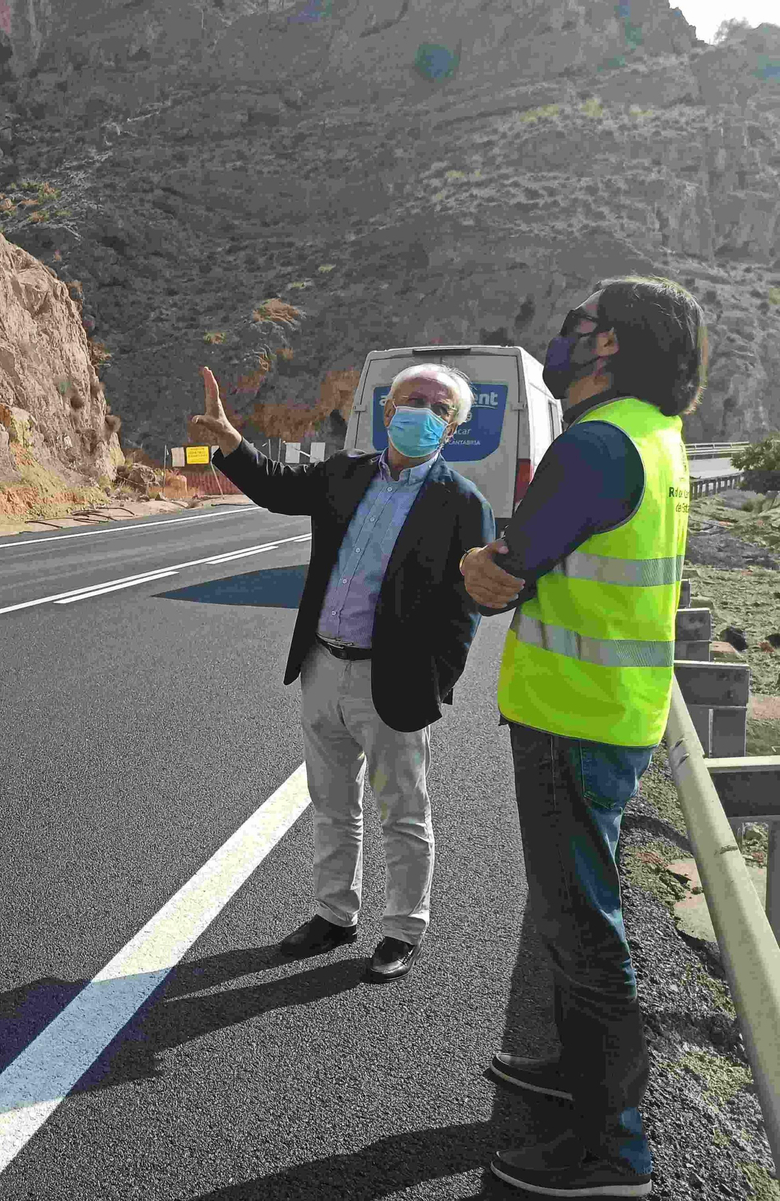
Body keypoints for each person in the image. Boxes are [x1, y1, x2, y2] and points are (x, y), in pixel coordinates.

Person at [460, 276, 705, 1198]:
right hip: (619, 713)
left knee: (581, 927)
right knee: (575, 916)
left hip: (571, 719)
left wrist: (473, 564)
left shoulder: (595, 446)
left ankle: (614, 1152)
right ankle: (582, 1076)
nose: (563, 336)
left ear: (608, 346)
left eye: (580, 325)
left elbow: (502, 573)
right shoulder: (657, 436)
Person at [192, 362, 495, 981]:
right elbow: (276, 486)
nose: (424, 413)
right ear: (387, 411)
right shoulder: (344, 474)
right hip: (323, 664)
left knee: (403, 812)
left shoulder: (463, 504)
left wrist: (434, 682)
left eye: (440, 408)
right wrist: (230, 442)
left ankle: (403, 929)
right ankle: (334, 914)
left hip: (395, 680)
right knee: (331, 803)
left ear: (454, 427)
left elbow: (465, 611)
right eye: (414, 400)